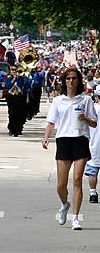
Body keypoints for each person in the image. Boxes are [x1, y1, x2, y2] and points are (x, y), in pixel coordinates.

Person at [43, 67, 97, 230]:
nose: (71, 81)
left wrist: (85, 118)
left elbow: (94, 123)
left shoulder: (86, 100)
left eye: (74, 78)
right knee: (61, 184)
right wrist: (46, 137)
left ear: (78, 81)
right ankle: (65, 204)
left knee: (77, 179)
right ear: (64, 81)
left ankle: (75, 218)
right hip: (64, 140)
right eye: (68, 78)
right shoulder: (59, 100)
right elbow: (51, 122)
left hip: (80, 139)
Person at [86, 86, 100, 204]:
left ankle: (92, 193)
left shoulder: (93, 109)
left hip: (94, 144)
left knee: (92, 171)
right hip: (94, 143)